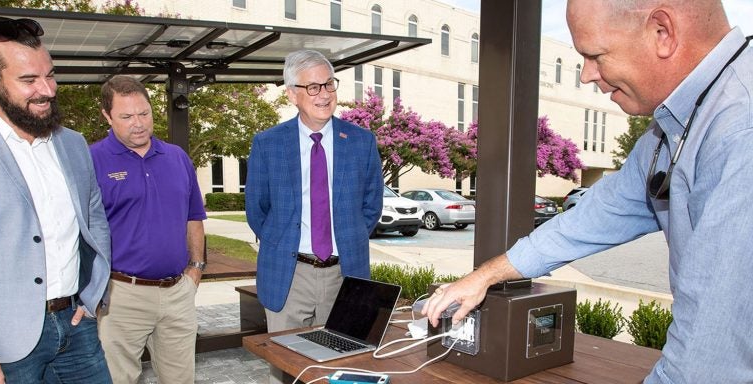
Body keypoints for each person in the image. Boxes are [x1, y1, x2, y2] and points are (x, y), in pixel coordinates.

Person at [424, 1, 753, 382]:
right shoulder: (677, 124)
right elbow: (595, 216)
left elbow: (707, 358)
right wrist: (485, 276)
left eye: (594, 55)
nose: (586, 76)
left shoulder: (740, 129)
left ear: (662, 32)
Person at [0, 17, 112, 384]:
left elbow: (94, 219)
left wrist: (91, 299)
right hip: (5, 343)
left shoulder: (71, 143)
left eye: (50, 75)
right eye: (28, 80)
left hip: (77, 326)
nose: (47, 90)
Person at [246, 49, 384, 332]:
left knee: (340, 361)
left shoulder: (361, 141)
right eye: (312, 87)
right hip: (289, 275)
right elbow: (256, 210)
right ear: (292, 95)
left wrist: (348, 237)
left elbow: (372, 205)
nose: (324, 94)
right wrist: (282, 243)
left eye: (329, 84)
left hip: (345, 273)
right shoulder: (268, 144)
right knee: (285, 367)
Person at [90, 75, 207, 384]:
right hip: (121, 295)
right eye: (126, 116)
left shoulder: (177, 157)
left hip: (177, 293)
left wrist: (195, 269)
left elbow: (194, 217)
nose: (138, 123)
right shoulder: (92, 160)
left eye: (144, 113)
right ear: (107, 116)